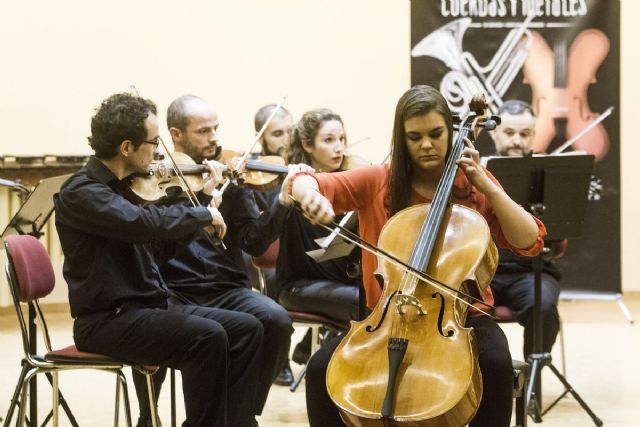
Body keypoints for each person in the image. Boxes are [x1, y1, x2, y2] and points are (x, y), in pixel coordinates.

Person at [285, 85, 546, 427]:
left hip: (463, 318)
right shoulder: (379, 181)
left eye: (436, 134)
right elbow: (302, 181)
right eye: (415, 136)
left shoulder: (471, 186)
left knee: (495, 365)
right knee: (320, 370)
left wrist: (487, 186)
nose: (426, 144)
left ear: (451, 133)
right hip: (387, 316)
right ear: (402, 138)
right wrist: (311, 195)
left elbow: (531, 240)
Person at [54, 92, 263, 427]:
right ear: (127, 148)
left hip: (149, 308)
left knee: (247, 328)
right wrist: (199, 214)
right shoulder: (82, 193)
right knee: (207, 337)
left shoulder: (126, 188)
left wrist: (206, 201)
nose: (158, 152)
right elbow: (142, 224)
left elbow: (155, 247)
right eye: (154, 142)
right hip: (107, 321)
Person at [131, 94, 295, 425]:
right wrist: (203, 198)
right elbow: (149, 245)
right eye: (204, 131)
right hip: (172, 290)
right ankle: (149, 413)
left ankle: (241, 413)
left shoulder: (231, 177)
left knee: (277, 320)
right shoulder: (155, 182)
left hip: (226, 287)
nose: (215, 138)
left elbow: (252, 241)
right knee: (178, 328)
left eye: (216, 129)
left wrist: (281, 202)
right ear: (175, 135)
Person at [488, 99, 562, 359]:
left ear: (533, 137)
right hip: (485, 271)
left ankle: (532, 380)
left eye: (524, 134)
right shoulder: (476, 172)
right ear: (494, 132)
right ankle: (478, 377)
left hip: (531, 272)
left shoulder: (550, 176)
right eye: (509, 133)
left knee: (543, 307)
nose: (516, 141)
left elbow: (559, 237)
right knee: (460, 306)